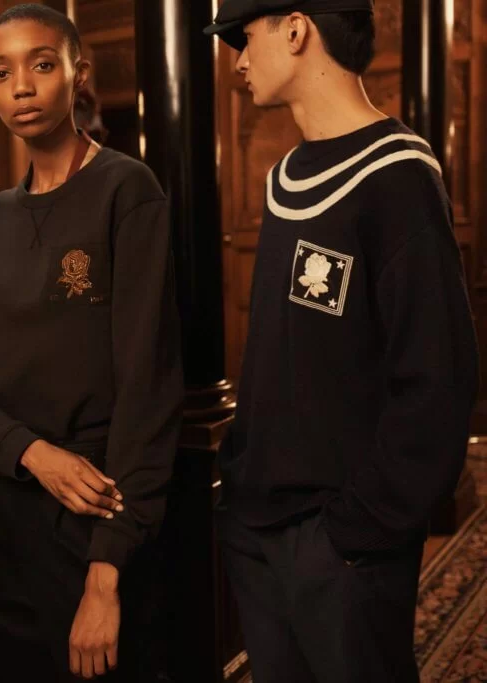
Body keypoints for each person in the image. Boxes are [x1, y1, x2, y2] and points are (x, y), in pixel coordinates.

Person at [204, 2, 479, 681]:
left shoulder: (399, 175)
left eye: (247, 38)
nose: (240, 61)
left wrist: (360, 530)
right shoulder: (284, 176)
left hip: (343, 544)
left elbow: (437, 380)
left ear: (296, 29)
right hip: (260, 525)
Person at [0, 5, 183, 681]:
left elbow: (148, 388)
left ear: (78, 73)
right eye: (1, 72)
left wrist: (106, 572)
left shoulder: (126, 190)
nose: (21, 86)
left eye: (41, 65)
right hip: (11, 515)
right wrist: (31, 453)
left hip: (103, 510)